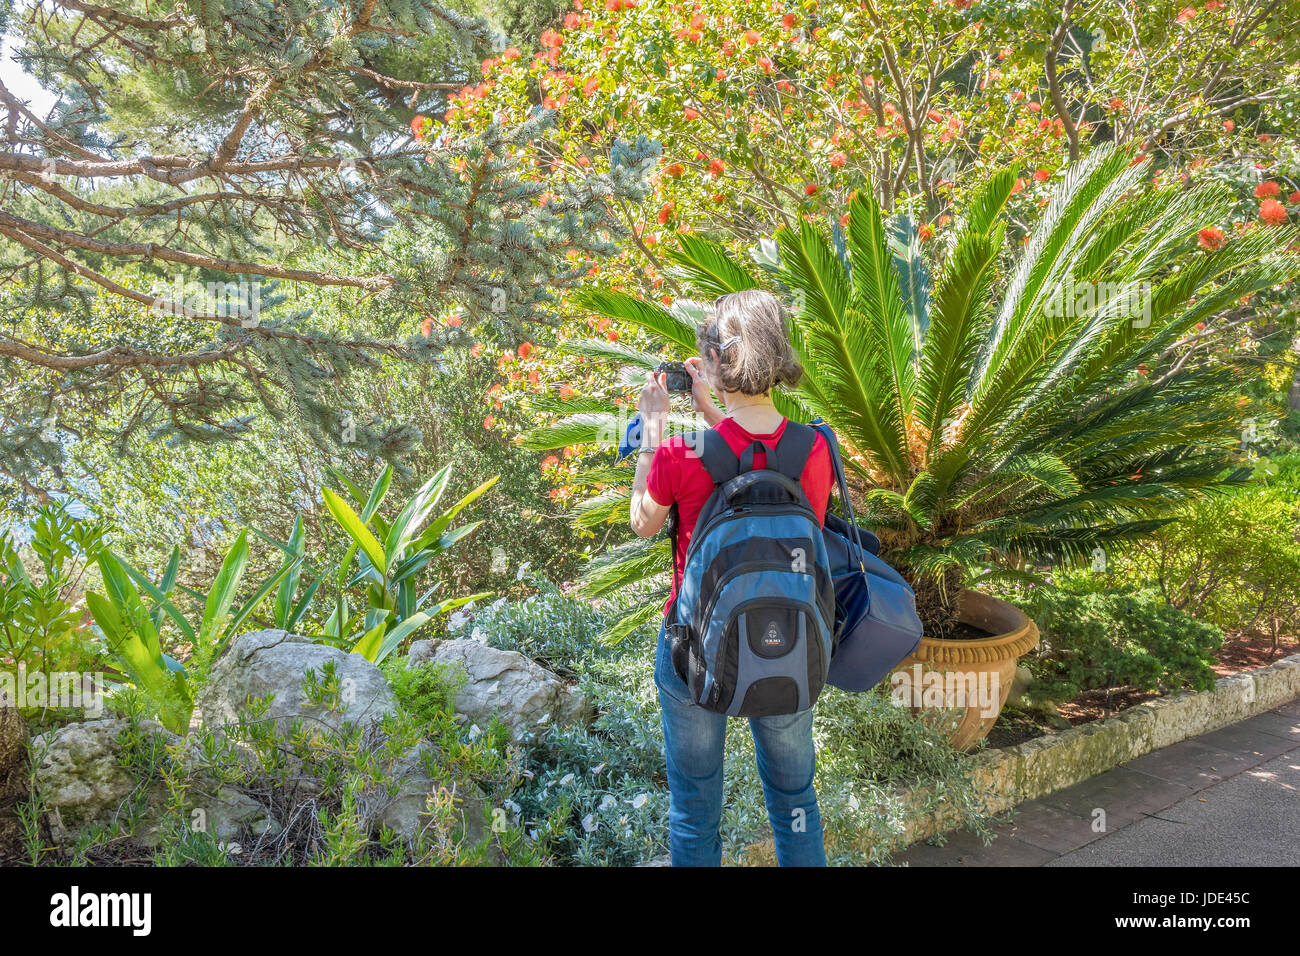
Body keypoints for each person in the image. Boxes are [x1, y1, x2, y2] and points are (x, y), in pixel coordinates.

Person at [629, 288, 835, 866]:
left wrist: (653, 434)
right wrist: (711, 408)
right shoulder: (813, 449)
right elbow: (762, 466)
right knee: (796, 800)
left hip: (693, 651)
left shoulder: (681, 451)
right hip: (789, 646)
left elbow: (642, 524)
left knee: (695, 809)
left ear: (719, 361)